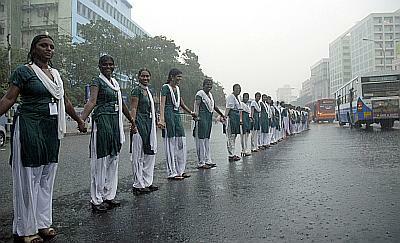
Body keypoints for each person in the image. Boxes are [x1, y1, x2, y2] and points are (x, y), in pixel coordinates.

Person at [0, 34, 85, 243]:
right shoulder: (24, 72)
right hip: (29, 125)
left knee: (47, 177)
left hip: (51, 130)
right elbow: (9, 98)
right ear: (34, 48)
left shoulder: (56, 75)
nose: (48, 49)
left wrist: (79, 120)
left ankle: (43, 223)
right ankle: (26, 229)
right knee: (29, 178)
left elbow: (64, 101)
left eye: (51, 47)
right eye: (43, 45)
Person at [80, 55, 133, 212]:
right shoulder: (97, 81)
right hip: (102, 121)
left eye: (111, 64)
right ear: (99, 66)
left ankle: (109, 195)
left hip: (115, 123)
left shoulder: (115, 83)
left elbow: (122, 104)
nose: (108, 67)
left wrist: (131, 119)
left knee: (113, 158)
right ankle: (96, 200)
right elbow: (92, 101)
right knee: (101, 160)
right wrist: (81, 119)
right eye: (105, 65)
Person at [158, 68, 196, 180]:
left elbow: (181, 103)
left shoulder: (177, 89)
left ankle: (181, 170)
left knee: (181, 142)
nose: (180, 79)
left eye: (180, 77)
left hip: (177, 116)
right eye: (178, 77)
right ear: (171, 77)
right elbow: (162, 104)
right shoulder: (165, 88)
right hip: (169, 115)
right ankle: (172, 172)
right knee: (170, 144)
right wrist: (162, 119)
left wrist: (190, 112)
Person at [130, 69, 158, 195]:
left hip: (149, 124)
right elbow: (134, 108)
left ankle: (147, 182)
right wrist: (133, 123)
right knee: (138, 155)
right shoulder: (137, 90)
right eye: (143, 76)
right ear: (138, 77)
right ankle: (138, 185)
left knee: (149, 154)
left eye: (147, 76)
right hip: (139, 124)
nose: (145, 78)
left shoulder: (148, 91)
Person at [193, 78, 225, 169]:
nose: (209, 86)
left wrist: (221, 114)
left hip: (208, 118)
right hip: (201, 118)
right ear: (203, 85)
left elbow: (214, 106)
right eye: (207, 84)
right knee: (201, 140)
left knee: (207, 139)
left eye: (211, 85)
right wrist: (196, 116)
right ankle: (201, 162)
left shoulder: (210, 95)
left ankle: (208, 160)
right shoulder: (200, 94)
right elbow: (197, 105)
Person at [225, 84, 242, 161]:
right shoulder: (231, 97)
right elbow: (228, 108)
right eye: (237, 88)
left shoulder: (237, 98)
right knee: (230, 136)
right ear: (233, 89)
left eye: (239, 89)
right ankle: (231, 155)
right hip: (231, 117)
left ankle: (233, 153)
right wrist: (225, 117)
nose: (238, 90)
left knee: (234, 136)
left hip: (236, 117)